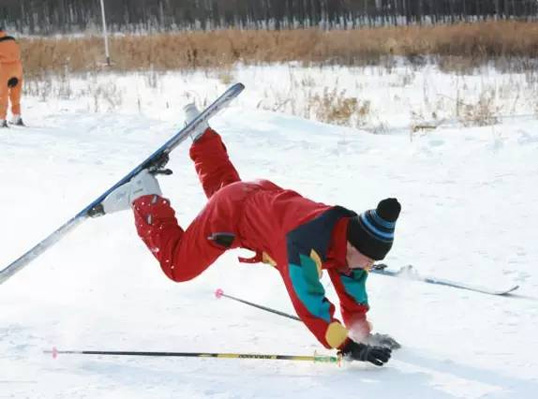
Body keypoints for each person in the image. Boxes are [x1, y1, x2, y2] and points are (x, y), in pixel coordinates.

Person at [102, 103, 402, 366]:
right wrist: (347, 347)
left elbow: (353, 290)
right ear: (354, 245)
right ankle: (144, 196)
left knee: (225, 189)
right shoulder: (304, 247)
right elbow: (309, 303)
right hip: (232, 216)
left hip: (253, 194)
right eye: (368, 260)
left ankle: (203, 137)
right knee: (177, 266)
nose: (368, 267)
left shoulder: (347, 236)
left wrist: (362, 332)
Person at [0, 27, 24, 128]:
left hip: (3, 70)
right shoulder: (11, 40)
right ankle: (16, 116)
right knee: (15, 95)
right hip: (17, 69)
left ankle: (1, 119)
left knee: (1, 95)